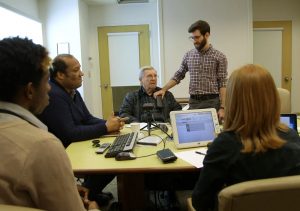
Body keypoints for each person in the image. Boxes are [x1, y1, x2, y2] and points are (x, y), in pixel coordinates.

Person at [0, 37, 99, 210]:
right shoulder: (42, 145)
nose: (49, 89)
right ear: (30, 90)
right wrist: (93, 208)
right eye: (46, 81)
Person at [192, 64, 300, 211]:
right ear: (272, 98)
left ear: (232, 101)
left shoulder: (224, 145)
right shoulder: (292, 136)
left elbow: (201, 202)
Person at [38, 54, 124, 205]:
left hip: (78, 146)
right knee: (111, 162)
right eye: (77, 70)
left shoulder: (73, 92)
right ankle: (82, 198)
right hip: (63, 153)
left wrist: (111, 124)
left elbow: (87, 119)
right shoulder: (55, 96)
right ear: (60, 75)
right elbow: (70, 134)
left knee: (113, 155)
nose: (82, 73)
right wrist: (105, 127)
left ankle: (90, 193)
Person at [154, 20, 228, 121]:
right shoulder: (188, 55)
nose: (194, 41)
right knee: (194, 134)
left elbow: (222, 83)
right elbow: (179, 75)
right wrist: (164, 89)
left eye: (197, 37)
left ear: (207, 35)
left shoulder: (219, 57)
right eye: (192, 38)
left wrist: (223, 107)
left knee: (212, 134)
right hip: (194, 102)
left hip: (212, 102)